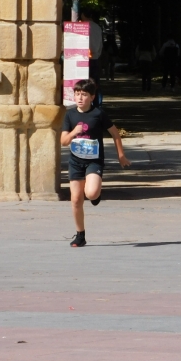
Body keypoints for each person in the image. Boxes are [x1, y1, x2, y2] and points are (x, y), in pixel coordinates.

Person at [61, 79, 131, 247]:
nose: (79, 98)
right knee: (76, 199)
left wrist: (121, 155)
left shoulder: (98, 114)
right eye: (77, 94)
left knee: (91, 194)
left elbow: (115, 134)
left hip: (94, 161)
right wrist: (73, 133)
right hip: (76, 162)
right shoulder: (70, 115)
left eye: (84, 95)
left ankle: (96, 194)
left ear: (92, 97)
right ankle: (80, 235)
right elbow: (63, 141)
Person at [80, 9, 104, 106]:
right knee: (96, 85)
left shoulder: (85, 26)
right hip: (96, 59)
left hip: (86, 58)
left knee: (85, 84)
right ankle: (97, 104)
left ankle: (87, 104)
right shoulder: (97, 27)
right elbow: (100, 44)